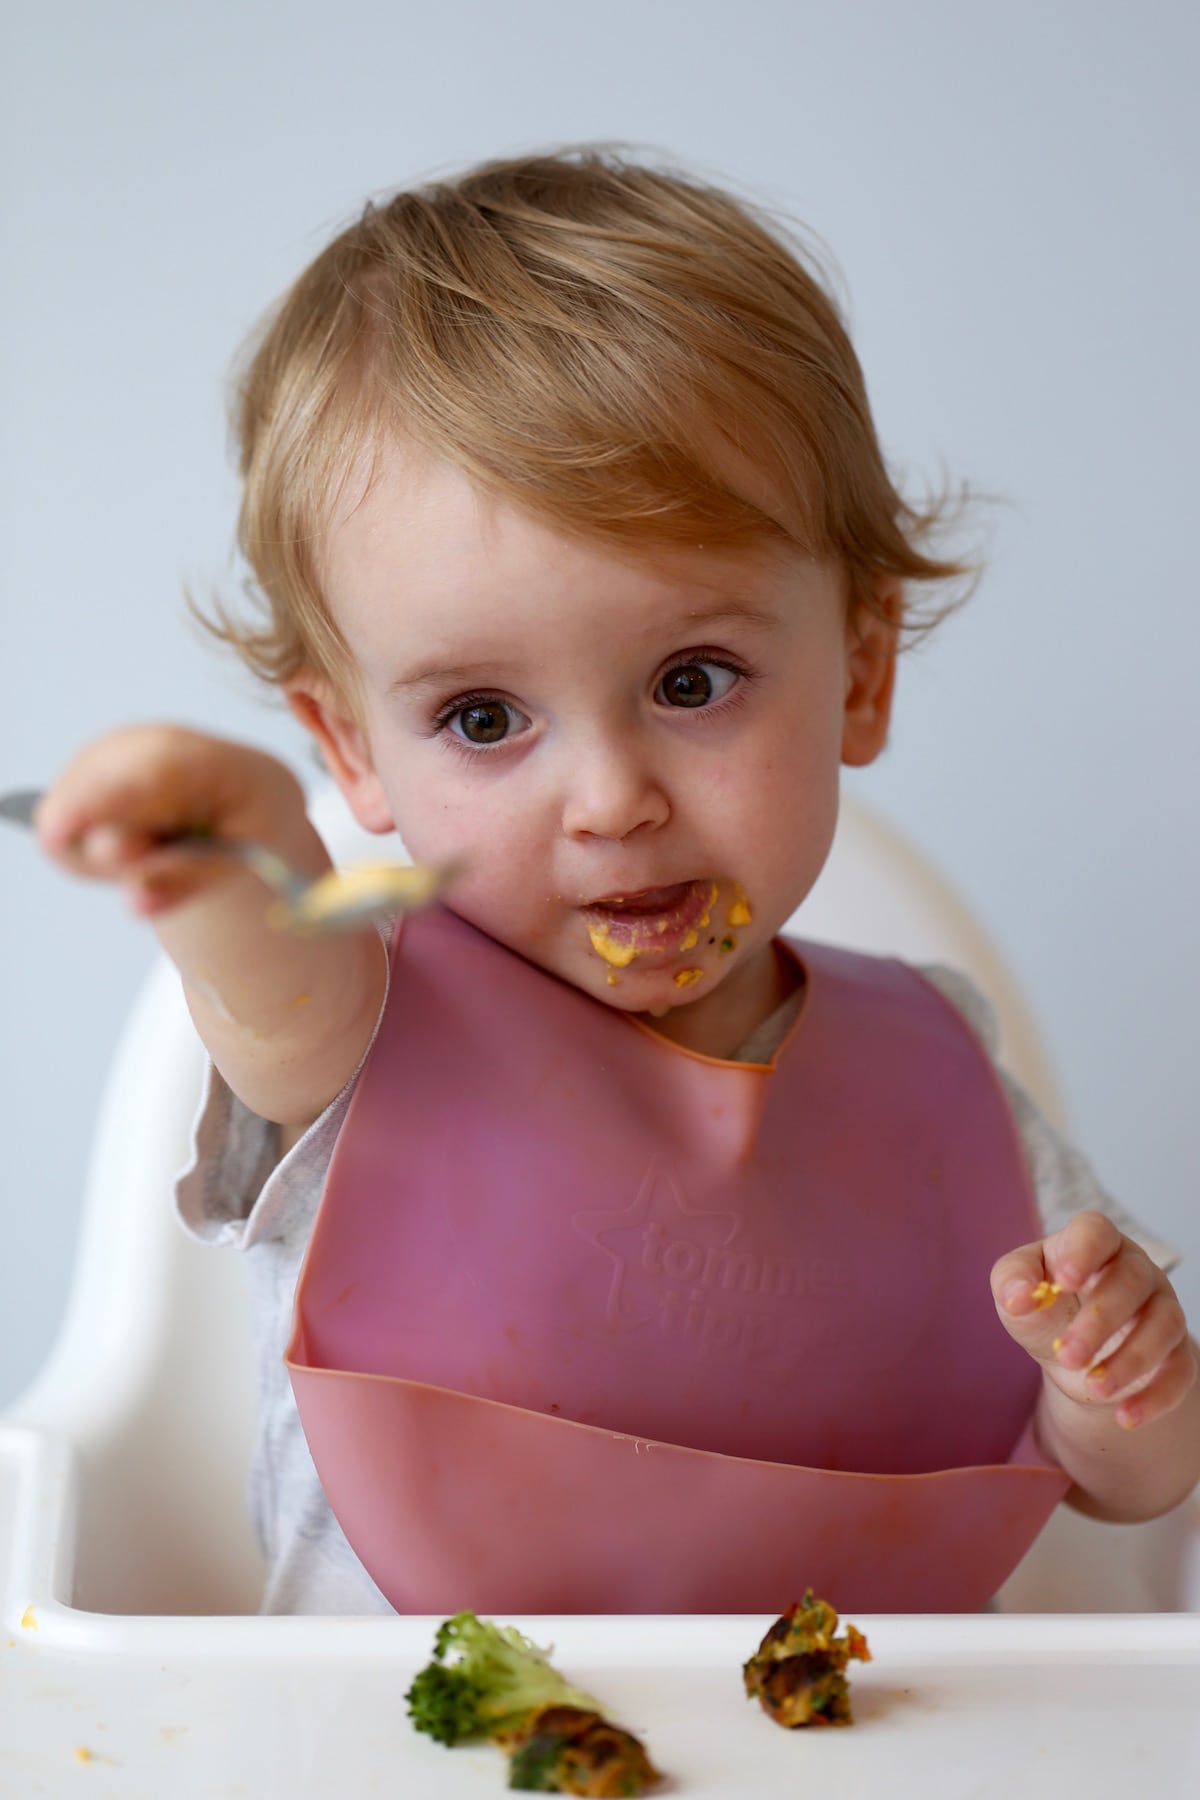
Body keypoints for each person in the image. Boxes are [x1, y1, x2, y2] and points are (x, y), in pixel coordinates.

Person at [34, 149, 1199, 1615]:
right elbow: (267, 972)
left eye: (693, 679)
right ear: (351, 744)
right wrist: (234, 842)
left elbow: (1125, 1490)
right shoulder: (364, 1030)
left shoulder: (943, 1069)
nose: (611, 800)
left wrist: (1120, 1384)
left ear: (862, 669)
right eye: (482, 718)